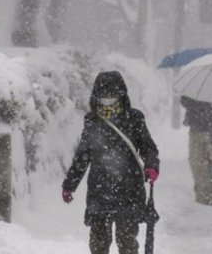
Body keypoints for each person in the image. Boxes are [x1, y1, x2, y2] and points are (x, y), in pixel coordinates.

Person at [61, 71, 160, 254]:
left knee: (127, 243)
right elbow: (82, 157)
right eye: (104, 94)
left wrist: (151, 166)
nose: (108, 99)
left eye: (112, 94)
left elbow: (148, 148)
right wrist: (70, 184)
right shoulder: (92, 121)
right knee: (98, 245)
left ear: (122, 94)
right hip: (100, 192)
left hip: (128, 191)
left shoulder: (134, 118)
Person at [180, 95, 212, 206]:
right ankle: (204, 194)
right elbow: (184, 100)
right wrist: (201, 106)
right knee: (197, 162)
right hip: (198, 129)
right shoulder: (197, 86)